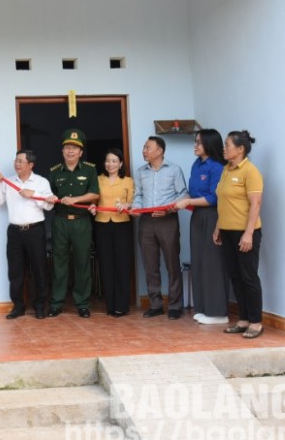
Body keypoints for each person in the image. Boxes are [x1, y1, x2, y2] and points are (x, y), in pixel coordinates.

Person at [129, 136, 188, 320]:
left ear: (159, 151)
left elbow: (183, 194)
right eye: (144, 147)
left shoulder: (174, 169)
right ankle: (155, 304)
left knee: (172, 262)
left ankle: (175, 305)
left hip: (167, 220)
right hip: (146, 221)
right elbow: (138, 195)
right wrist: (135, 208)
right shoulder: (140, 172)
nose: (144, 150)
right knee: (150, 264)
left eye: (148, 147)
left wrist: (168, 210)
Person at [0, 149, 54, 320]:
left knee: (39, 269)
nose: (17, 164)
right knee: (15, 271)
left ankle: (40, 306)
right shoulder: (9, 182)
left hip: (35, 230)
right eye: (16, 161)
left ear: (30, 165)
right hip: (14, 232)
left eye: (21, 161)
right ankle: (18, 306)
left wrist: (33, 194)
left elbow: (49, 205)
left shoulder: (41, 182)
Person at [174, 129, 228, 325]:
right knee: (199, 260)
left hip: (213, 216)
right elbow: (192, 192)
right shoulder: (196, 165)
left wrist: (188, 201)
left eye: (199, 142)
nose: (195, 145)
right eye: (195, 141)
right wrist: (184, 200)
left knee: (212, 262)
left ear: (209, 144)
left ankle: (218, 312)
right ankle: (203, 308)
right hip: (197, 216)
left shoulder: (217, 167)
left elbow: (214, 197)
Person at [45, 129, 100, 318]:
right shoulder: (54, 172)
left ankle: (82, 303)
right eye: (67, 148)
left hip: (81, 222)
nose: (70, 152)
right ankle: (56, 303)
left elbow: (95, 194)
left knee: (82, 263)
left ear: (81, 152)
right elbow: (47, 196)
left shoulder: (90, 170)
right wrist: (50, 198)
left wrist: (75, 199)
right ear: (62, 151)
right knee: (59, 263)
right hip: (60, 222)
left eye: (75, 149)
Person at [215, 130, 265, 339]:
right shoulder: (226, 170)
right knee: (235, 277)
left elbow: (256, 204)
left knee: (248, 277)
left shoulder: (250, 171)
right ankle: (243, 319)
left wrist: (248, 234)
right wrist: (218, 227)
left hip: (245, 232)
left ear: (240, 149)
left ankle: (255, 322)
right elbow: (224, 201)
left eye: (227, 145)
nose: (224, 149)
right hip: (227, 231)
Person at [89, 148, 135, 317]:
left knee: (122, 264)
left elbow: (132, 202)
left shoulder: (128, 181)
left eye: (115, 161)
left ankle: (122, 305)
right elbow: (94, 199)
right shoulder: (98, 179)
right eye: (108, 161)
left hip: (121, 224)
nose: (111, 164)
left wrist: (127, 206)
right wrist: (93, 206)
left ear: (121, 163)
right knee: (106, 264)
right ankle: (110, 304)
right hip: (102, 224)